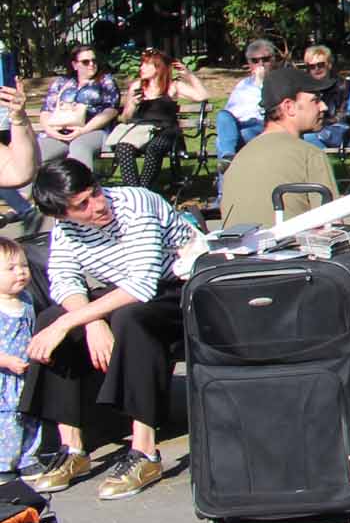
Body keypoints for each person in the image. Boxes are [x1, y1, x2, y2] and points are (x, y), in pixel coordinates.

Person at [21, 159, 201, 499]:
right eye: (82, 206)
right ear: (62, 215)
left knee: (130, 319)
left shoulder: (136, 204)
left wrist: (75, 320)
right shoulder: (65, 229)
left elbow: (142, 285)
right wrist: (89, 322)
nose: (98, 206)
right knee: (50, 321)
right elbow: (63, 280)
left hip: (180, 288)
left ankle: (145, 451)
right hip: (125, 292)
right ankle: (72, 448)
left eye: (96, 193)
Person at [218, 65, 340, 229]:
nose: (323, 107)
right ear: (289, 107)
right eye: (316, 100)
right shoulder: (309, 155)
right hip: (294, 251)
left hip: (237, 252)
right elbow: (332, 227)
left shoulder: (238, 159)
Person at [109, 49, 209, 188]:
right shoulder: (137, 86)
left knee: (154, 148)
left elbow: (202, 96)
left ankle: (143, 190)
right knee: (123, 147)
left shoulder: (173, 86)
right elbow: (126, 118)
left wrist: (189, 76)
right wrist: (132, 103)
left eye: (146, 64)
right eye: (142, 64)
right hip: (140, 132)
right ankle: (132, 190)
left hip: (166, 132)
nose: (141, 68)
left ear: (159, 67)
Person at [38, 46, 119, 170]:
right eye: (85, 62)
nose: (91, 64)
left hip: (93, 131)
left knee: (79, 146)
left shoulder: (105, 81)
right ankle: (31, 189)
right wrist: (51, 132)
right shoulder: (62, 82)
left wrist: (83, 131)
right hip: (60, 133)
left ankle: (84, 187)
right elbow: (46, 111)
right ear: (75, 65)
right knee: (38, 151)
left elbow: (111, 111)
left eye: (94, 60)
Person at [0, 240, 38, 478]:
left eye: (24, 266)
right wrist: (5, 361)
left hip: (25, 373)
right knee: (6, 422)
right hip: (4, 377)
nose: (21, 272)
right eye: (11, 268)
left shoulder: (27, 299)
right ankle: (4, 463)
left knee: (30, 417)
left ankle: (28, 457)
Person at [214, 38, 279, 163]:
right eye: (255, 61)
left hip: (263, 125)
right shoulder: (243, 84)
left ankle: (226, 166)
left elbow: (267, 110)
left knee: (224, 141)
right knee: (223, 116)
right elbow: (230, 112)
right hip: (240, 124)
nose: (260, 64)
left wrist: (260, 84)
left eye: (265, 60)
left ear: (273, 60)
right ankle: (227, 157)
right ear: (249, 64)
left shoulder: (280, 82)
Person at [299, 45, 350, 150]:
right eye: (312, 66)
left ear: (329, 64)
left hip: (337, 130)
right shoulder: (305, 86)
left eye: (320, 65)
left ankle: (317, 164)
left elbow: (342, 115)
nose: (316, 69)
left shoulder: (344, 84)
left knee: (308, 137)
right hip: (311, 128)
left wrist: (318, 124)